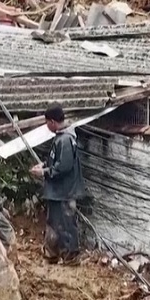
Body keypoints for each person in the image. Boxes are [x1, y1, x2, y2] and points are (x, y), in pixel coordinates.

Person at [31, 107, 85, 262]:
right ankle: (53, 254)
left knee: (65, 225)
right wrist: (44, 165)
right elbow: (56, 161)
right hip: (58, 192)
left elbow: (63, 167)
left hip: (64, 191)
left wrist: (44, 172)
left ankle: (70, 256)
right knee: (55, 223)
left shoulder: (65, 140)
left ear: (52, 122)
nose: (47, 126)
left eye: (47, 122)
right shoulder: (61, 138)